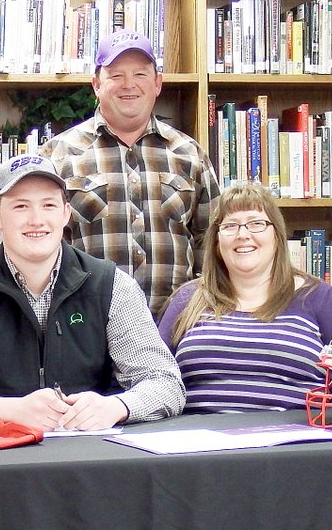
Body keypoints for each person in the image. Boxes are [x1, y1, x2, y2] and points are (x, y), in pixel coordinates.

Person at [0, 154, 186, 431]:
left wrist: (117, 407)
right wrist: (3, 410)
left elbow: (166, 383)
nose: (36, 220)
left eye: (49, 205)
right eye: (21, 207)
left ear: (65, 214)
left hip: (87, 459)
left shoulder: (111, 285)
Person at [40, 29, 221, 317]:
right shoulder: (58, 156)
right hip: (84, 330)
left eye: (140, 75)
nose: (129, 85)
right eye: (116, 75)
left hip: (174, 329)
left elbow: (210, 242)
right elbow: (41, 245)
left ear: (157, 83)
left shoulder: (189, 155)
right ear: (97, 84)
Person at [157, 180, 332, 413]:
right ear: (217, 243)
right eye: (230, 226)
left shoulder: (319, 298)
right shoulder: (187, 299)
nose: (243, 234)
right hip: (199, 442)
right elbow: (153, 376)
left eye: (256, 223)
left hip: (296, 441)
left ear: (277, 237)